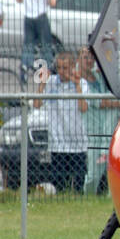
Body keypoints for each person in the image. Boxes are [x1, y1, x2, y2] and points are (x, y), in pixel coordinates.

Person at [34, 50, 89, 193]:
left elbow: (83, 108)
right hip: (57, 143)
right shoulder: (51, 83)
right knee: (59, 186)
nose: (61, 71)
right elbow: (37, 104)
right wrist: (42, 84)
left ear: (73, 67)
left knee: (77, 187)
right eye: (59, 68)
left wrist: (77, 87)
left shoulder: (82, 83)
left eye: (65, 68)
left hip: (77, 143)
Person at [76, 47, 120, 194]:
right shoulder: (80, 81)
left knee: (112, 169)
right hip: (93, 132)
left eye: (92, 57)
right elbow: (100, 102)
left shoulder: (98, 77)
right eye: (85, 57)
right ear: (79, 59)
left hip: (108, 130)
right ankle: (88, 197)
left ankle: (112, 198)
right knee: (93, 174)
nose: (89, 61)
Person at [15, 0, 56, 79]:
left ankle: (24, 65)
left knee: (28, 44)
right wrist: (44, 0)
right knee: (46, 44)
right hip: (41, 16)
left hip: (28, 17)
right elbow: (52, 2)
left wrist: (28, 0)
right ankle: (47, 69)